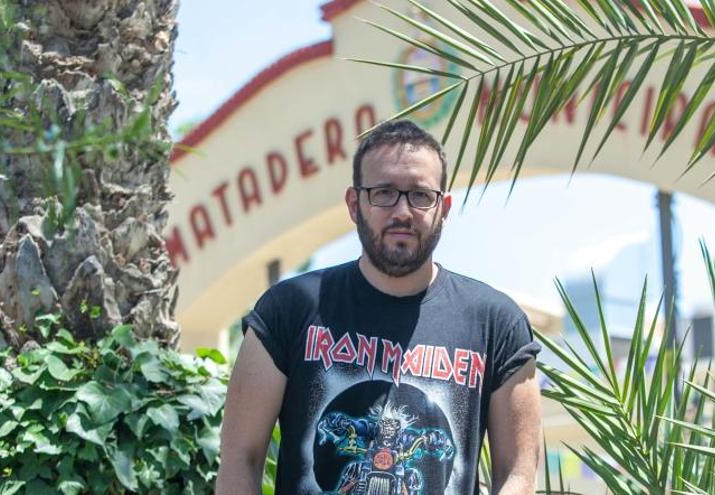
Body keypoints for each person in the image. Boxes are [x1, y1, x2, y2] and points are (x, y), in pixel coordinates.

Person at [216, 120, 542, 494]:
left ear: (444, 207)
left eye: (420, 195)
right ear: (355, 204)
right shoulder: (288, 310)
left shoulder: (496, 323)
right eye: (384, 192)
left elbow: (518, 473)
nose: (402, 211)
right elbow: (241, 458)